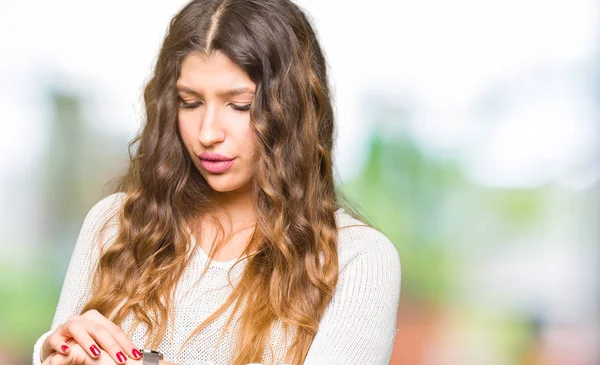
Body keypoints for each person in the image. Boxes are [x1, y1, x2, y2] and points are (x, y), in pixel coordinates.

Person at [33, 0, 401, 364]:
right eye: (189, 103)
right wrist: (56, 354)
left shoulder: (356, 260)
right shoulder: (116, 225)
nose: (207, 133)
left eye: (240, 105)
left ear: (293, 109)